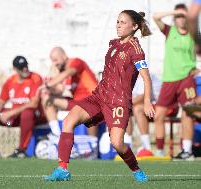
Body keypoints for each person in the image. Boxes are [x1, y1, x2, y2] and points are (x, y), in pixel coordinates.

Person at [45, 10, 154, 182]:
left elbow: (146, 77)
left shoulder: (136, 49)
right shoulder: (113, 44)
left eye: (123, 22)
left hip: (118, 103)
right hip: (99, 97)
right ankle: (62, 169)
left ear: (134, 27)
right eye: (118, 21)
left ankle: (136, 169)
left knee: (117, 143)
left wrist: (147, 101)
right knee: (68, 121)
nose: (118, 25)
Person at [153, 4, 197, 160]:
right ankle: (159, 152)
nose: (181, 19)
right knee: (158, 115)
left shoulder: (193, 34)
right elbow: (155, 16)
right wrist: (174, 11)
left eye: (183, 16)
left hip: (186, 79)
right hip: (169, 80)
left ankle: (187, 151)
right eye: (178, 16)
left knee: (188, 113)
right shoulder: (169, 31)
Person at [0, 56, 45, 158]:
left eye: (26, 66)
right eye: (21, 67)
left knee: (27, 113)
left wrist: (10, 113)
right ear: (15, 69)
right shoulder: (10, 81)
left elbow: (34, 103)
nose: (25, 69)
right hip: (15, 117)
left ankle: (21, 151)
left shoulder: (35, 78)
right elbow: (1, 100)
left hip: (34, 117)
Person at [39, 47, 98, 137]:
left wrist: (49, 84)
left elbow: (68, 73)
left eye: (55, 60)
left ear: (64, 56)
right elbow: (60, 89)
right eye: (52, 61)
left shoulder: (76, 62)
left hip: (92, 100)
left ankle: (93, 143)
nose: (54, 64)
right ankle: (57, 135)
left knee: (89, 109)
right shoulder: (61, 70)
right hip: (77, 103)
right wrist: (48, 90)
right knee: (47, 99)